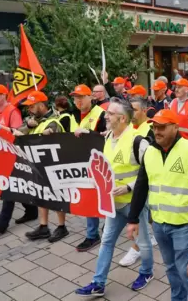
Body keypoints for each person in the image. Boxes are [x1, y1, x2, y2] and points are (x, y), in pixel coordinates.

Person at [127, 109, 188, 301]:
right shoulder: (150, 152)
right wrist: (133, 218)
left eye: (162, 127)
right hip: (159, 224)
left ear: (175, 127)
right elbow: (142, 185)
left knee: (186, 271)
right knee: (170, 268)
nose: (157, 131)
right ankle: (177, 298)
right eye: (154, 127)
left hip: (184, 225)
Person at [76, 98, 155, 297]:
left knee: (143, 242)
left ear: (122, 118)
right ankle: (98, 282)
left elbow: (152, 172)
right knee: (106, 241)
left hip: (133, 204)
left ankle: (146, 272)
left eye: (110, 113)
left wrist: (128, 187)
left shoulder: (138, 141)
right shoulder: (108, 137)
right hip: (113, 204)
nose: (105, 116)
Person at [8, 91, 68, 242]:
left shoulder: (53, 121)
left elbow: (55, 135)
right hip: (37, 165)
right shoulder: (32, 120)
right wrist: (27, 126)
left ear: (41, 105)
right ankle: (43, 226)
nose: (29, 109)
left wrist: (47, 133)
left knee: (57, 196)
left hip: (53, 166)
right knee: (41, 195)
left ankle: (61, 227)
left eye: (32, 106)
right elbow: (16, 132)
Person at [0, 85, 39, 231]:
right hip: (1, 155)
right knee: (16, 186)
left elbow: (17, 134)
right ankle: (32, 210)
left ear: (3, 95)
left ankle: (2, 224)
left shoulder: (12, 111)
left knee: (8, 188)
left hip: (13, 155)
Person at [119, 97, 158, 267]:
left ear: (144, 110)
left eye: (134, 110)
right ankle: (151, 237)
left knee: (144, 214)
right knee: (149, 213)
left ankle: (137, 249)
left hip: (148, 179)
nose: (131, 113)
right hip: (137, 181)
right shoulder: (131, 128)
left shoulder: (150, 129)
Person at [70, 84, 107, 252]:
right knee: (88, 198)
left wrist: (88, 134)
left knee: (102, 196)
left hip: (99, 164)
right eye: (75, 97)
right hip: (80, 163)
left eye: (81, 97)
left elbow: (108, 137)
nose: (77, 101)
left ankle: (101, 231)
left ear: (90, 97)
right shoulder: (72, 115)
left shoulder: (101, 115)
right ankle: (93, 234)